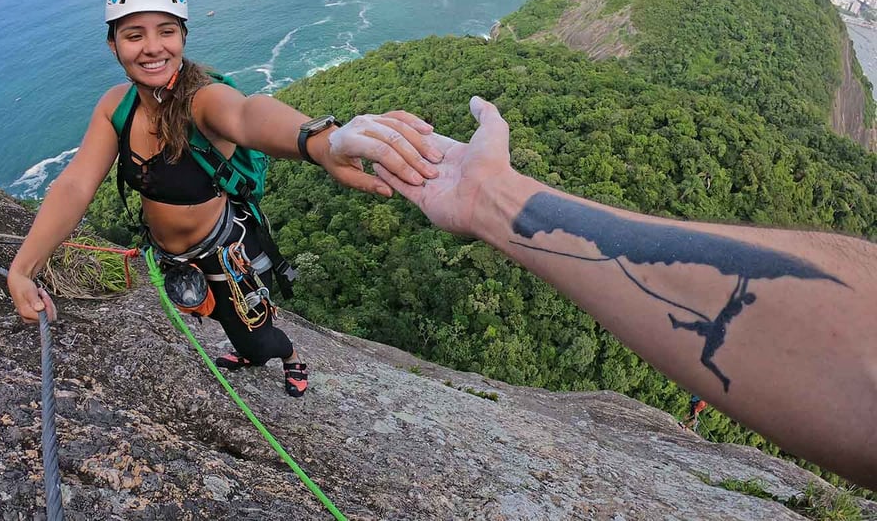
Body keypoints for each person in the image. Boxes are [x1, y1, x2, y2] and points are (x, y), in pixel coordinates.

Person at [376, 95, 877, 489]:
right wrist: (489, 195)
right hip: (715, 327)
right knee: (703, 330)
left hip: (717, 329)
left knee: (705, 332)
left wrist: (491, 196)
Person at [7, 0, 442, 398]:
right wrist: (23, 268)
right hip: (172, 258)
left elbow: (247, 114)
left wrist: (321, 141)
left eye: (166, 32)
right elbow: (75, 185)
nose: (152, 47)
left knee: (254, 329)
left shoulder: (203, 101)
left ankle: (290, 356)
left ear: (183, 37)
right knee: (226, 325)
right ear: (113, 44)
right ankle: (251, 354)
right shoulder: (116, 108)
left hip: (225, 253)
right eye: (134, 35)